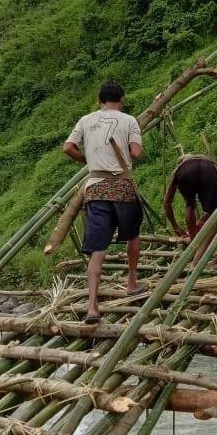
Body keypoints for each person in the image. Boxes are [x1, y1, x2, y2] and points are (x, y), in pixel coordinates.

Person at [64, 80, 145, 324]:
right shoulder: (129, 120)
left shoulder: (86, 120)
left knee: (97, 250)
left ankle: (92, 308)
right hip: (122, 188)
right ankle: (131, 282)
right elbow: (136, 153)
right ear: (121, 100)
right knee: (133, 235)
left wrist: (88, 160)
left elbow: (68, 147)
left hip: (95, 189)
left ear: (100, 101)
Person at [163, 154, 217, 264]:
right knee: (216, 216)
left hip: (188, 173)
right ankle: (198, 260)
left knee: (190, 204)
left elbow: (167, 203)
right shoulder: (208, 160)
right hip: (208, 170)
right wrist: (204, 219)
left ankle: (193, 241)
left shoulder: (179, 168)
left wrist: (175, 226)